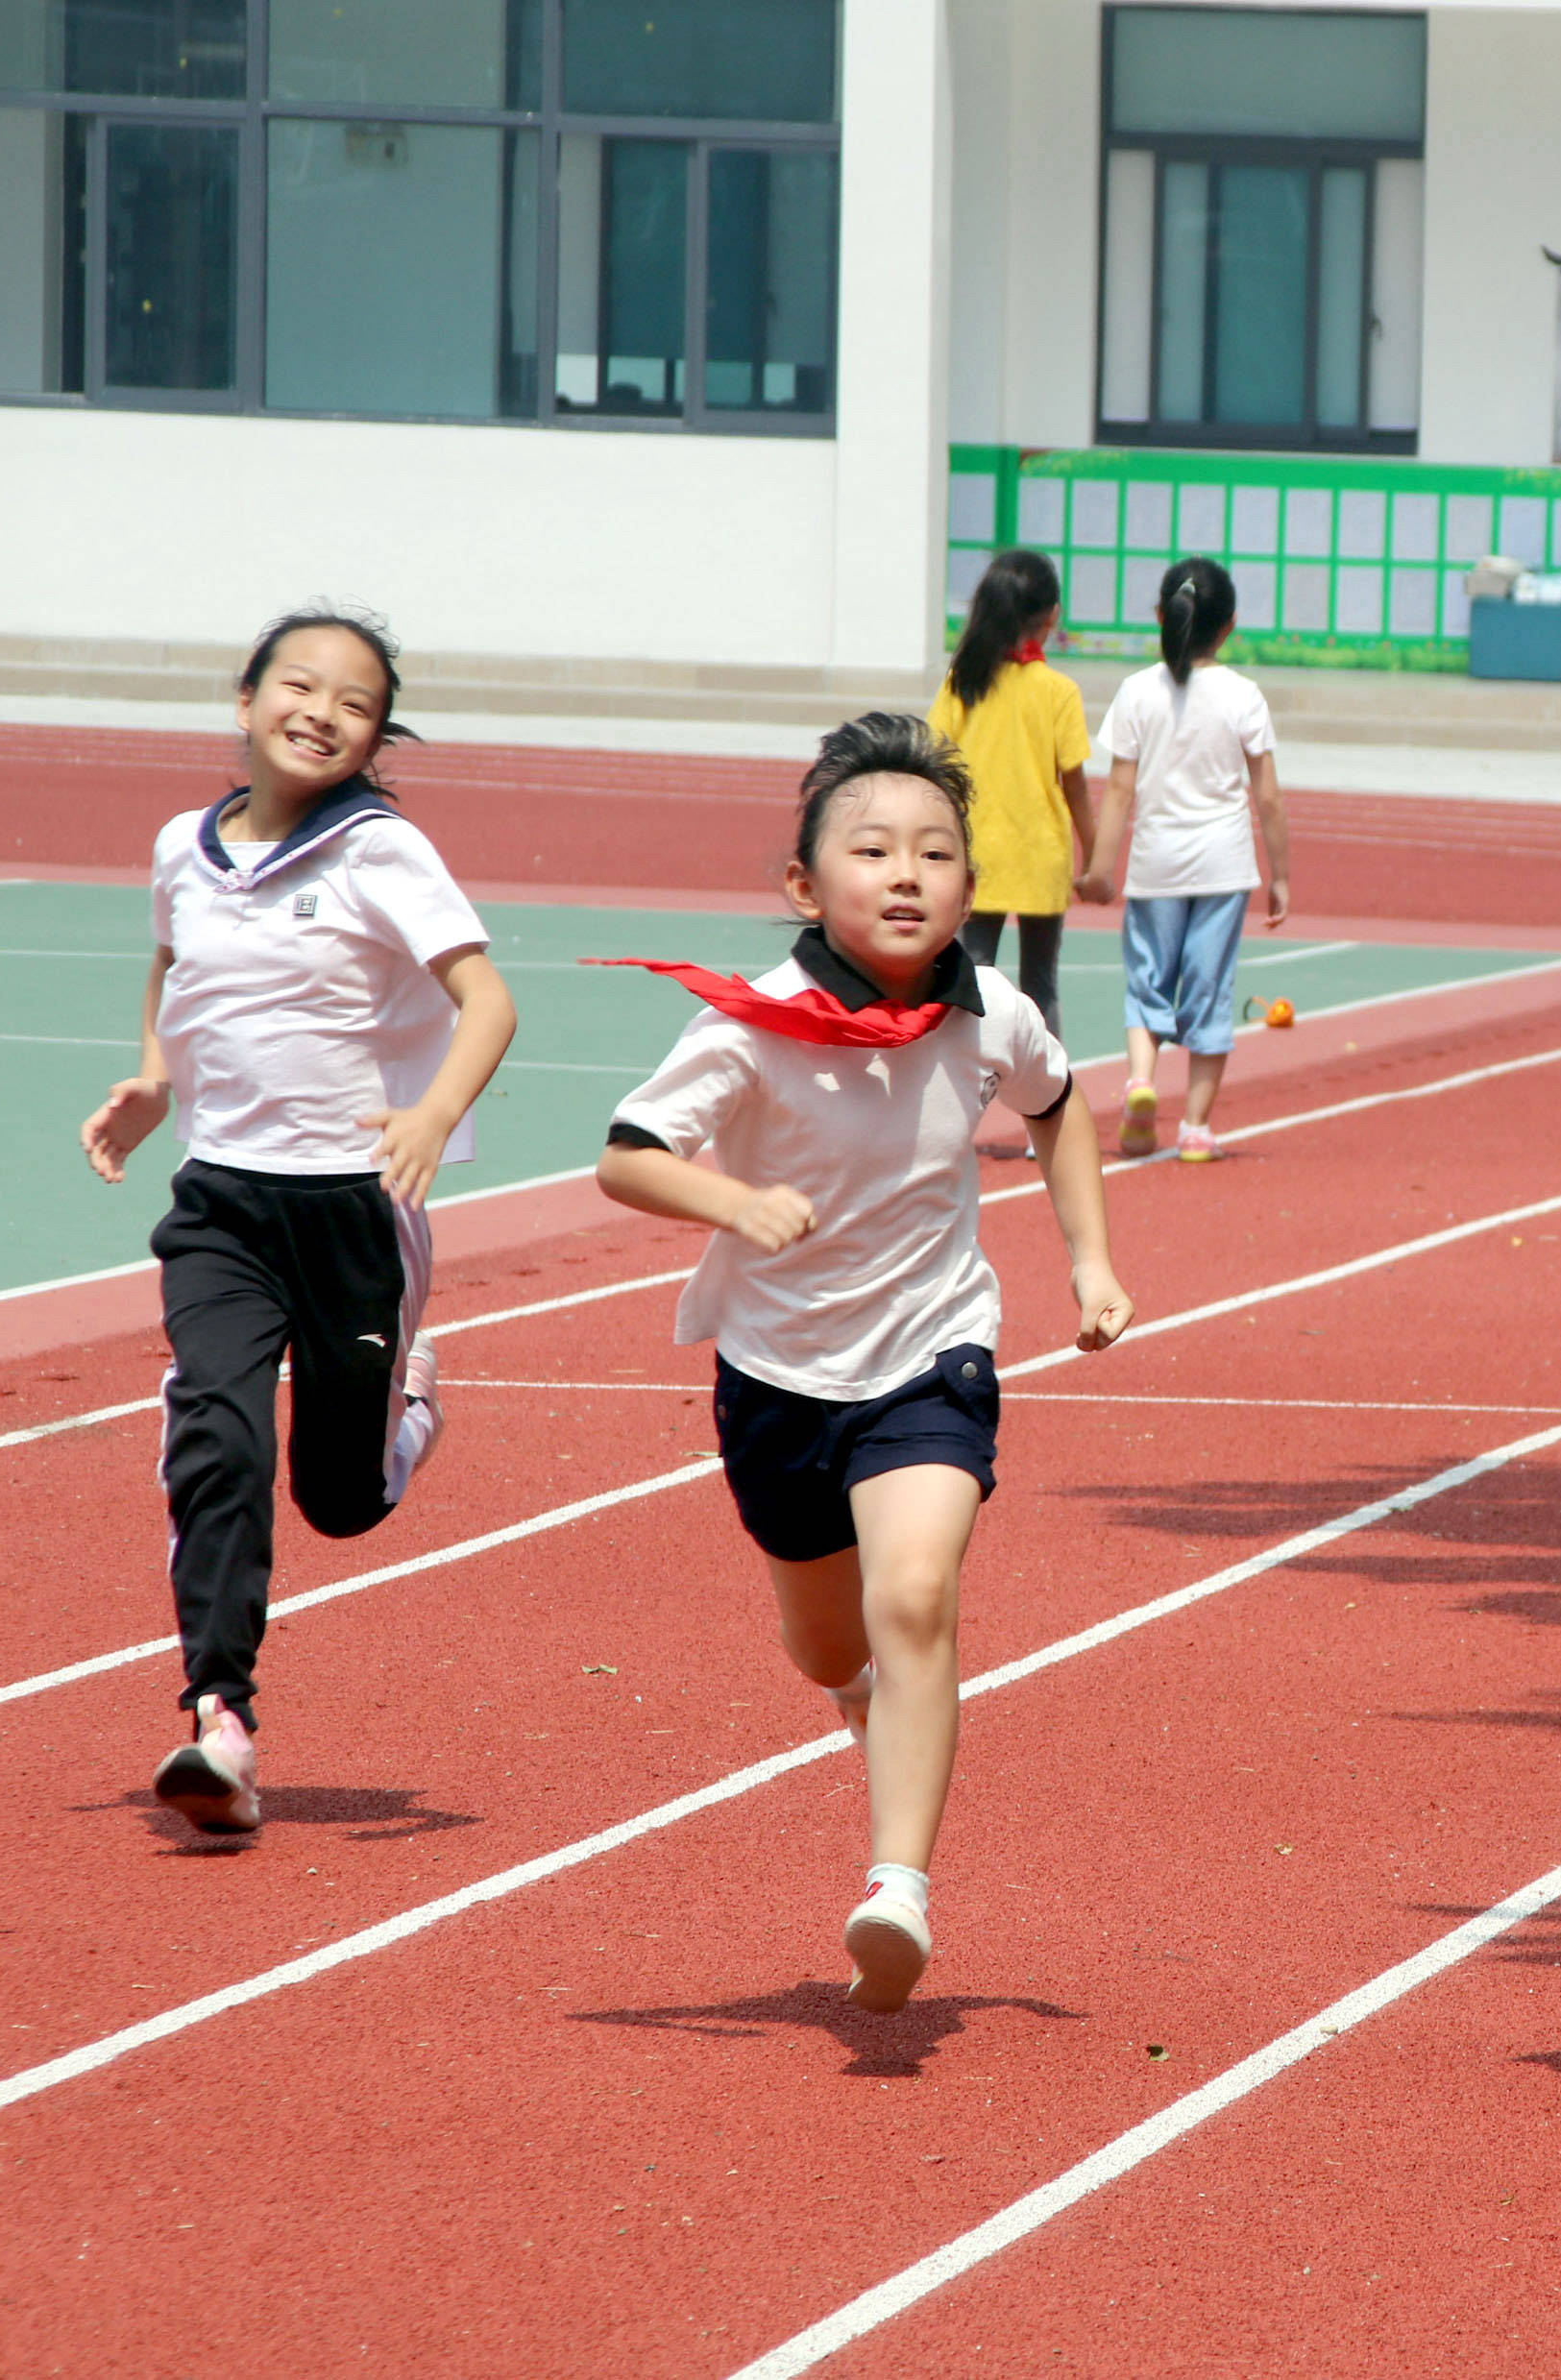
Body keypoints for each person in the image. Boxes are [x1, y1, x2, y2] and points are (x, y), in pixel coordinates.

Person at [595, 713, 1134, 2013]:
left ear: (969, 883)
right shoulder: (754, 1024)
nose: (908, 873)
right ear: (804, 885)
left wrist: (1091, 1262)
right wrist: (732, 1206)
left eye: (937, 852)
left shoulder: (990, 1011)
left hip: (930, 1354)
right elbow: (625, 1153)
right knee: (826, 1636)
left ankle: (898, 1887)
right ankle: (853, 1696)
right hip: (778, 1373)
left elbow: (1060, 1113)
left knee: (916, 1596)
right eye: (874, 848)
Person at [79, 606, 520, 1836]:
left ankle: (406, 1414)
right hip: (220, 1202)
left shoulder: (380, 850)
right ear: (246, 700)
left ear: (377, 735)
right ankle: (220, 1720)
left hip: (353, 1212)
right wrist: (156, 1082)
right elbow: (173, 966)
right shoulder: (184, 844)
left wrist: (432, 1114)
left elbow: (486, 1001)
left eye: (356, 701)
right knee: (217, 1437)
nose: (321, 711)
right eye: (300, 685)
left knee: (339, 1500)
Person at [1083, 558, 1292, 1162]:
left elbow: (1119, 789)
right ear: (1229, 626)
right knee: (1210, 988)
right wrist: (1281, 876)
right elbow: (1269, 797)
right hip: (1224, 865)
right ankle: (1196, 1127)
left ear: (1160, 616)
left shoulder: (1137, 692)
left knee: (1148, 983)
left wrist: (1100, 869)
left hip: (1156, 866)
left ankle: (1142, 1082)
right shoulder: (1243, 695)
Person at [929, 549, 1096, 1154]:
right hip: (1041, 857)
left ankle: (949, 1110)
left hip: (976, 860)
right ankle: (1043, 1119)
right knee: (1040, 986)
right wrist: (1096, 857)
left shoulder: (962, 683)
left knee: (967, 987)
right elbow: (1074, 783)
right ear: (1049, 616)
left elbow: (935, 764)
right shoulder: (1057, 690)